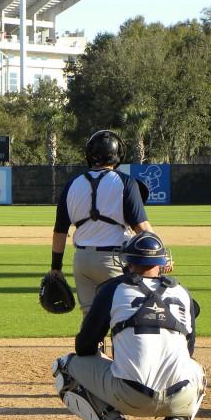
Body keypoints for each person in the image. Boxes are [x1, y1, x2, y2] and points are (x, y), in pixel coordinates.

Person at [51, 231, 207, 420]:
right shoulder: (183, 293)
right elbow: (188, 350)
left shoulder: (114, 289)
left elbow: (83, 347)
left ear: (128, 262)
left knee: (64, 366)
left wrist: (105, 355)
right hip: (180, 395)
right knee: (197, 370)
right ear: (162, 262)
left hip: (131, 396)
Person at [47, 129, 160, 316]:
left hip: (82, 260)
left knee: (90, 319)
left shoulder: (71, 185)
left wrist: (56, 268)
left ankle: (92, 346)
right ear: (118, 155)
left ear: (89, 154)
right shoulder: (126, 182)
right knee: (122, 315)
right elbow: (141, 227)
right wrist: (157, 254)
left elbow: (59, 232)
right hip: (114, 260)